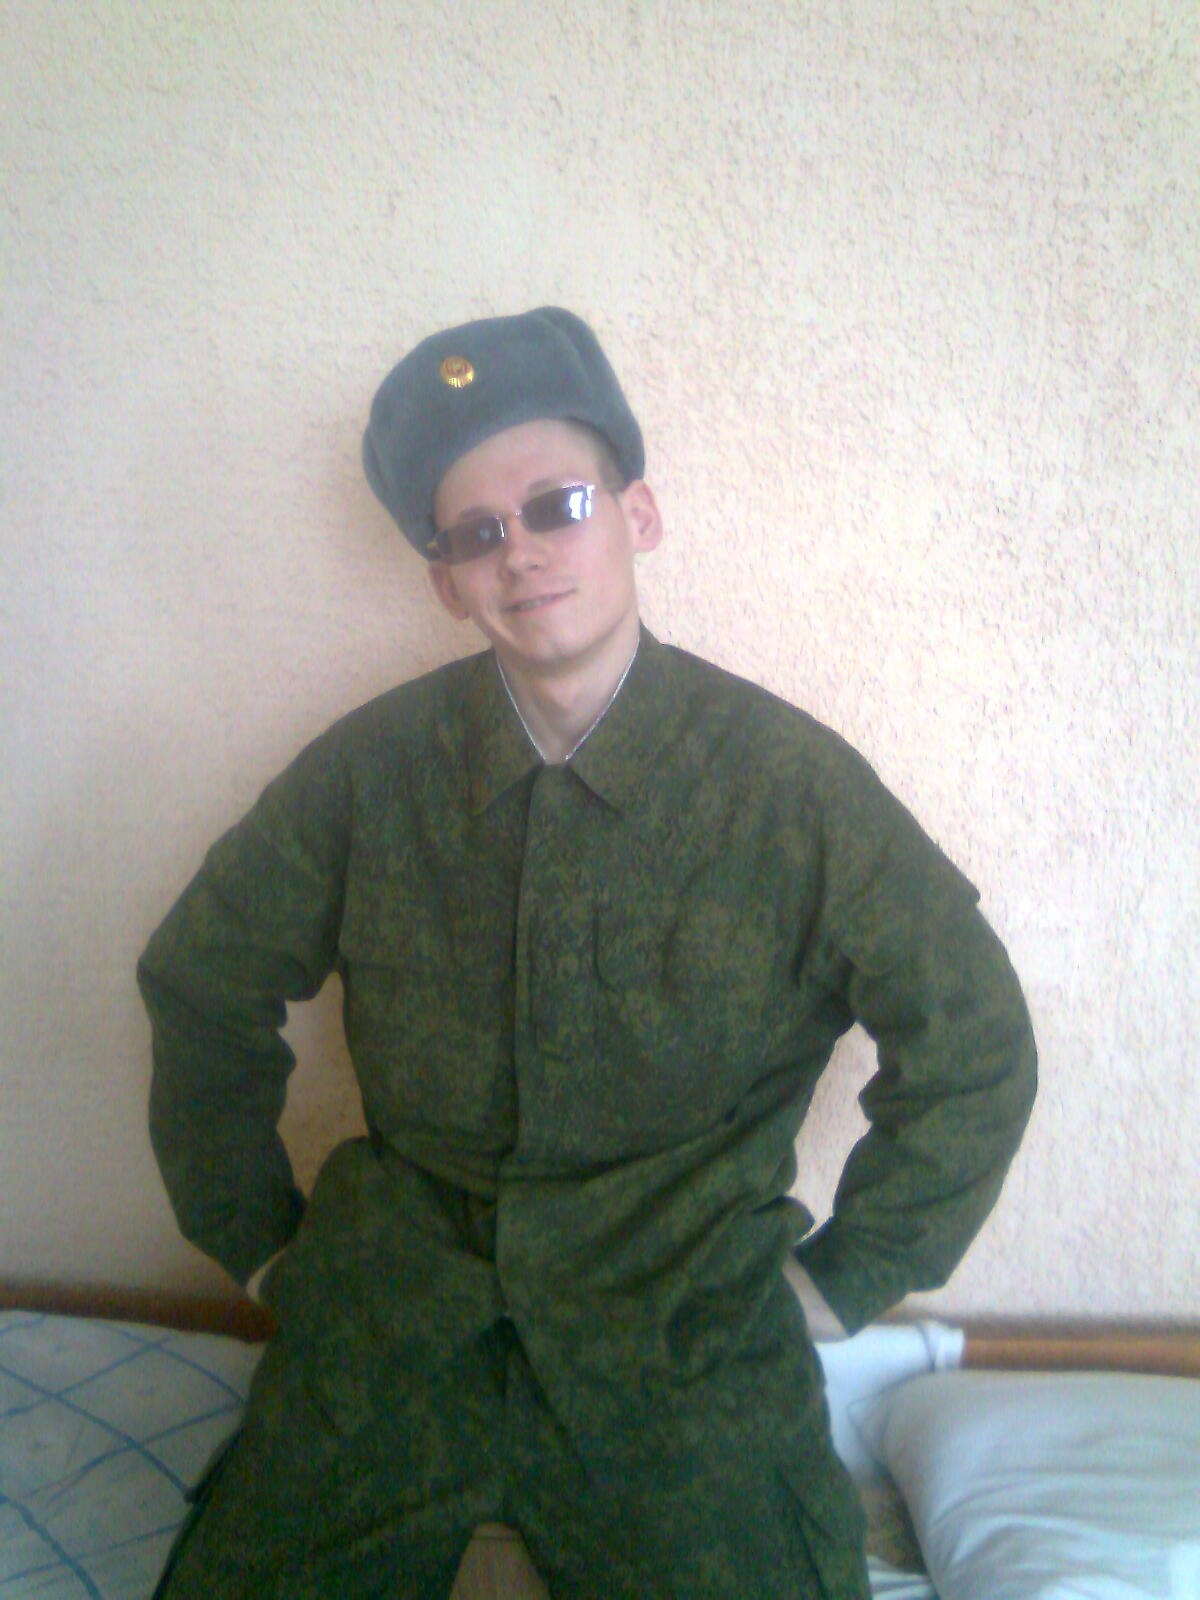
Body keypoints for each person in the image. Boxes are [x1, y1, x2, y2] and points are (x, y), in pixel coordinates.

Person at [139, 307, 1037, 1600]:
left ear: (638, 516)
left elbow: (975, 1040)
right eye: (475, 533)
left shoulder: (791, 789)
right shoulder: (368, 774)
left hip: (682, 1341)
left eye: (557, 505)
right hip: (392, 1324)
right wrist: (258, 1239)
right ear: (447, 582)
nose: (520, 552)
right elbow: (203, 980)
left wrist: (844, 1282)